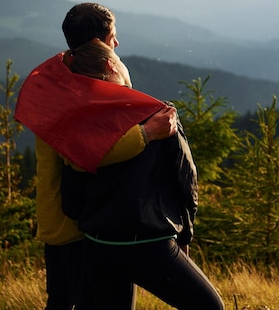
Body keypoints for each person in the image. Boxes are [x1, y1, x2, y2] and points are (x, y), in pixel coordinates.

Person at [15, 2, 178, 310]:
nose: (116, 44)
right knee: (74, 303)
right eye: (112, 36)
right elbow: (85, 153)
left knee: (67, 301)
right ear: (97, 43)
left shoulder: (58, 76)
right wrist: (148, 133)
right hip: (72, 224)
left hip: (58, 218)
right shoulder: (77, 91)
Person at [62, 39, 225, 310]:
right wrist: (183, 235)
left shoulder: (77, 124)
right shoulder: (159, 115)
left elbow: (71, 197)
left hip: (98, 244)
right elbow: (185, 179)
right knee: (209, 306)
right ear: (110, 64)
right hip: (149, 244)